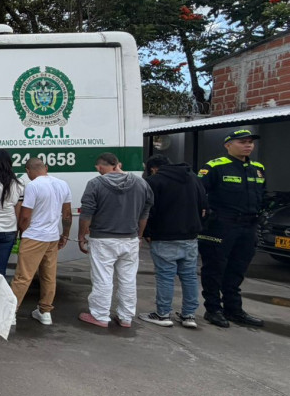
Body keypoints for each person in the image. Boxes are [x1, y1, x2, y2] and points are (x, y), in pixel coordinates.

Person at [196, 128, 266, 328]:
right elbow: (199, 194)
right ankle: (213, 309)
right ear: (228, 145)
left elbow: (262, 194)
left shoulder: (258, 168)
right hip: (221, 225)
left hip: (248, 226)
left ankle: (233, 310)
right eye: (242, 142)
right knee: (215, 268)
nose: (248, 145)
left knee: (237, 270)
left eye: (250, 142)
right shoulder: (215, 167)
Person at [77, 152, 153, 328]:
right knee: (128, 279)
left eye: (98, 168)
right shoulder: (141, 183)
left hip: (103, 240)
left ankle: (100, 316)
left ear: (101, 167)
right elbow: (144, 214)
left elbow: (86, 214)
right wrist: (139, 235)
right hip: (130, 239)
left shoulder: (95, 184)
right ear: (118, 164)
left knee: (103, 278)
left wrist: (82, 236)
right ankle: (126, 317)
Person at [139, 155, 207, 329]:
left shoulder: (154, 181)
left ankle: (162, 314)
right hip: (190, 236)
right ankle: (189, 315)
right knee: (190, 276)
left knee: (165, 277)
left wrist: (146, 232)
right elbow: (204, 205)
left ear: (153, 168)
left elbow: (148, 210)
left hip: (164, 236)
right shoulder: (193, 177)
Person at [9, 158, 72, 326]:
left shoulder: (33, 186)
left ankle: (11, 313)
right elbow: (67, 214)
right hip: (52, 237)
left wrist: (22, 232)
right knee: (49, 276)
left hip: (34, 236)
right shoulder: (62, 184)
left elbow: (25, 215)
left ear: (28, 171)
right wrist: (65, 234)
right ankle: (45, 311)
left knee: (23, 276)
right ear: (46, 167)